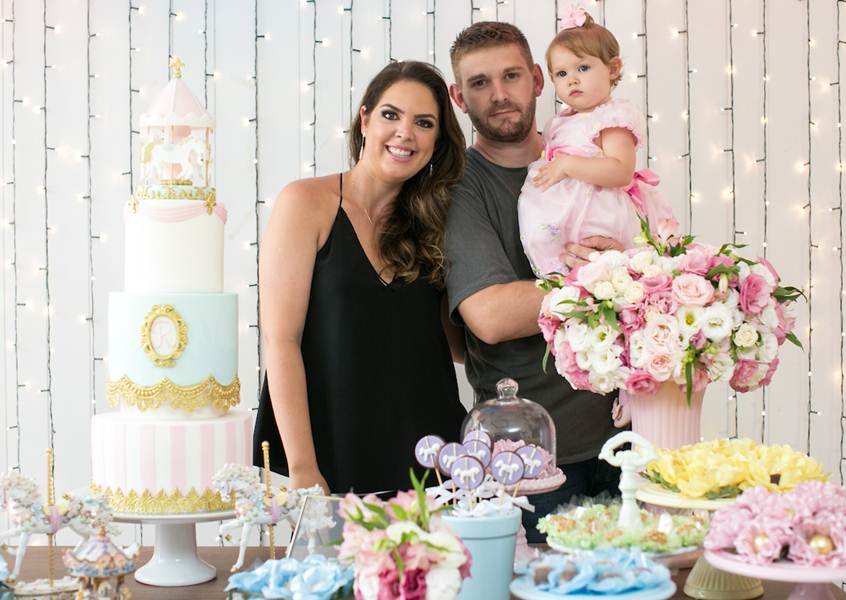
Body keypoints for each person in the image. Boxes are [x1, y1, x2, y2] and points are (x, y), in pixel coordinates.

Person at [253, 61, 468, 496]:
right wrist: (303, 468)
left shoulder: (437, 221)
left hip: (430, 457)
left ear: (437, 142)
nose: (405, 133)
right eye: (391, 115)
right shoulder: (305, 203)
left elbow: (460, 347)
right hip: (332, 449)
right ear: (365, 120)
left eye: (423, 123)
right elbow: (281, 341)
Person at [445, 21, 623, 542]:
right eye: (480, 83)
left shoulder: (592, 158)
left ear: (538, 80)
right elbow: (492, 316)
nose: (500, 95)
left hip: (627, 440)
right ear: (459, 96)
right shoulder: (461, 188)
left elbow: (649, 252)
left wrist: (634, 268)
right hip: (533, 464)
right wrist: (606, 276)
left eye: (512, 76)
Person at [519, 7, 676, 278]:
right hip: (562, 209)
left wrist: (567, 164)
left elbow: (620, 171)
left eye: (583, 67)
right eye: (562, 74)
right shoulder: (559, 121)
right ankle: (555, 271)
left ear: (613, 68)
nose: (573, 80)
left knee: (600, 259)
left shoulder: (611, 118)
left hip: (600, 209)